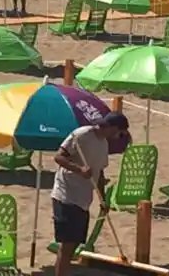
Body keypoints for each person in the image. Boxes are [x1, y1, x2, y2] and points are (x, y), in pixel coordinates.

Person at [51, 113, 130, 276]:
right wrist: (79, 169)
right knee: (67, 245)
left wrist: (102, 198)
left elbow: (99, 173)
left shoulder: (103, 144)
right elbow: (58, 157)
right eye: (120, 133)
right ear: (113, 128)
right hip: (66, 194)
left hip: (83, 199)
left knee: (74, 245)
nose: (119, 137)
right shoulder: (81, 134)